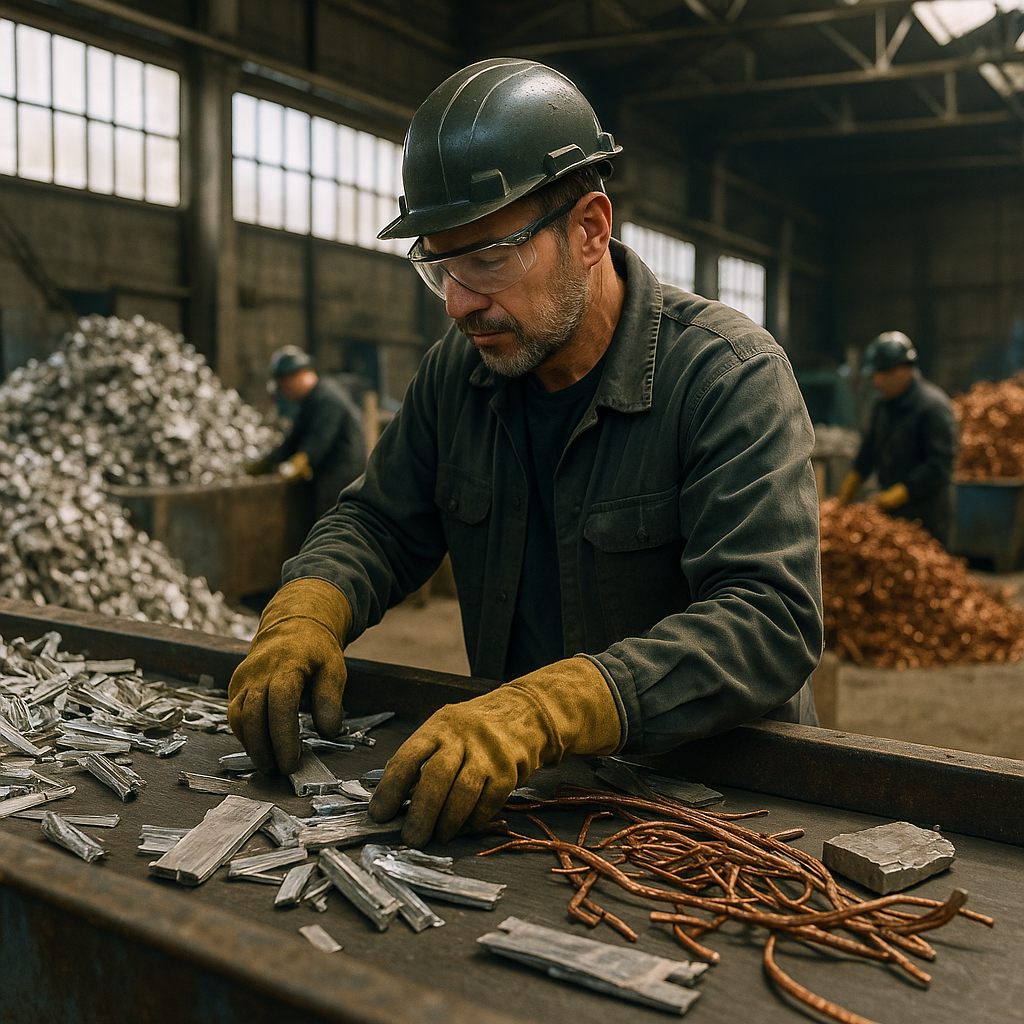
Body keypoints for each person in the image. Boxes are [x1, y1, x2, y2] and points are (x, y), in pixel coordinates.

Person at [228, 58, 823, 848]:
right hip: (530, 797)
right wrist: (306, 609)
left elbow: (769, 618)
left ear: (590, 229)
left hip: (715, 812)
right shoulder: (461, 371)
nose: (459, 302)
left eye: (488, 260)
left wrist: (552, 707)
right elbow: (381, 521)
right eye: (440, 264)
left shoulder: (725, 375)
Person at [838, 332, 959, 547]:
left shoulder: (933, 407)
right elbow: (869, 451)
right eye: (874, 374)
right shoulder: (881, 407)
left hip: (928, 514)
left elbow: (939, 465)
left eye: (882, 373)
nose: (876, 380)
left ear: (904, 370)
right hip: (893, 514)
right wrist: (852, 484)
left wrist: (903, 492)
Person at [258, 346, 367, 519]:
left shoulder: (327, 398)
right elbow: (294, 439)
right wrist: (265, 463)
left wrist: (300, 462)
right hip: (329, 475)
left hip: (341, 478)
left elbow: (320, 438)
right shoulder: (311, 401)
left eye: (284, 385)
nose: (285, 392)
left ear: (297, 377)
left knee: (330, 525)